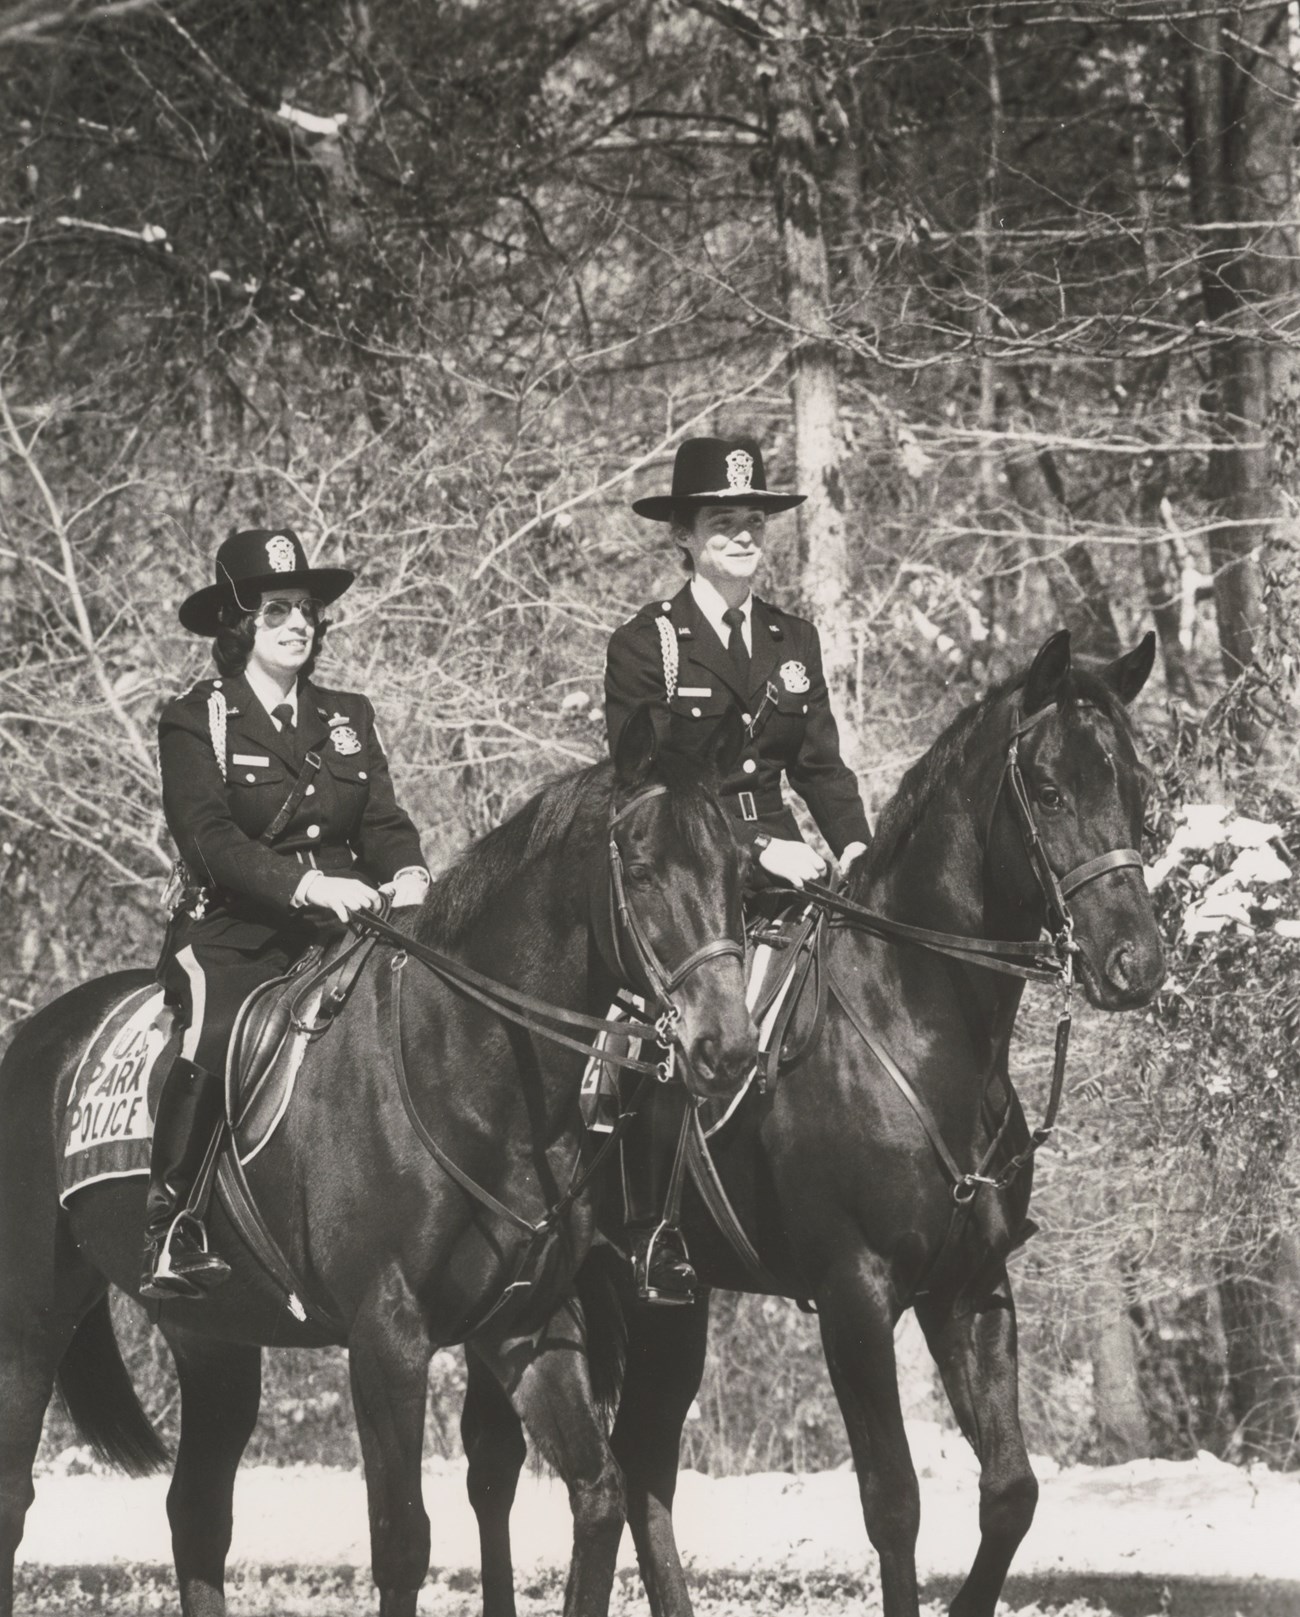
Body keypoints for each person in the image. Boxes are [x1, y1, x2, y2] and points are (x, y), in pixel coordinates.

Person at [605, 435, 872, 1302]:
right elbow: (646, 790)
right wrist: (755, 851)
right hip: (692, 881)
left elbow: (820, 767)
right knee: (650, 1041)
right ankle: (653, 1226)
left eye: (752, 520)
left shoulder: (794, 639)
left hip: (799, 870)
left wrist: (858, 845)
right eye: (722, 521)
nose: (741, 534)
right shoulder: (648, 643)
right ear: (683, 534)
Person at [142, 527, 430, 1301]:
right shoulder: (194, 718)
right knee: (215, 1028)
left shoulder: (347, 715)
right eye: (278, 610)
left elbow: (382, 820)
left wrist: (408, 871)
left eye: (306, 609)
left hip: (350, 925)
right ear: (241, 626)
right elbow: (208, 840)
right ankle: (175, 1219)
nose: (300, 623)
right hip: (238, 926)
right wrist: (307, 888)